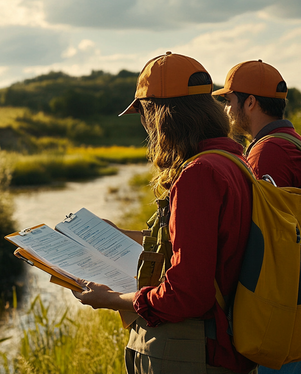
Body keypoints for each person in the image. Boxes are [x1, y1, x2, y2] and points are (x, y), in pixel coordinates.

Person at [72, 52, 257, 374]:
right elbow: (204, 245)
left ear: (157, 114)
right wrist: (122, 235)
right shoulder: (232, 162)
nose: (145, 127)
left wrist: (114, 299)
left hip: (188, 349)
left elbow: (187, 294)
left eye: (142, 114)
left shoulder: (199, 174)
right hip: (217, 342)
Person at [212, 60, 301, 374]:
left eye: (228, 101)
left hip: (281, 307)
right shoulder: (294, 141)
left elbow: (262, 235)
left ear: (249, 103)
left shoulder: (267, 152)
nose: (225, 109)